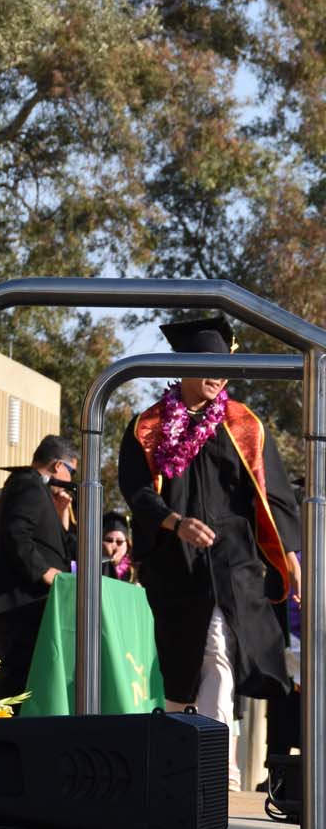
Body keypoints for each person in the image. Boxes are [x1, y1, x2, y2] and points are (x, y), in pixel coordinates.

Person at [119, 314, 300, 789]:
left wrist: (292, 555)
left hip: (233, 563)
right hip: (175, 567)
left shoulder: (244, 425)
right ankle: (182, 758)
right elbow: (136, 490)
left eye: (223, 365)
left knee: (219, 652)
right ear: (183, 367)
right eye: (206, 364)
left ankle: (214, 770)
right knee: (182, 666)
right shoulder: (149, 427)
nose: (217, 375)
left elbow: (273, 494)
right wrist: (174, 523)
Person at [0, 434, 79, 698]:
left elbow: (57, 547)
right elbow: (16, 534)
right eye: (72, 471)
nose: (70, 481)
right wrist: (44, 571)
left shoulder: (41, 492)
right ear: (58, 465)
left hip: (31, 605)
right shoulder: (28, 484)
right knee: (16, 681)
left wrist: (61, 517)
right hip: (19, 605)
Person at [101, 510, 133, 581]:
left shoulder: (136, 572)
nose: (114, 545)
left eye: (119, 542)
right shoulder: (92, 568)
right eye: (109, 540)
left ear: (127, 545)